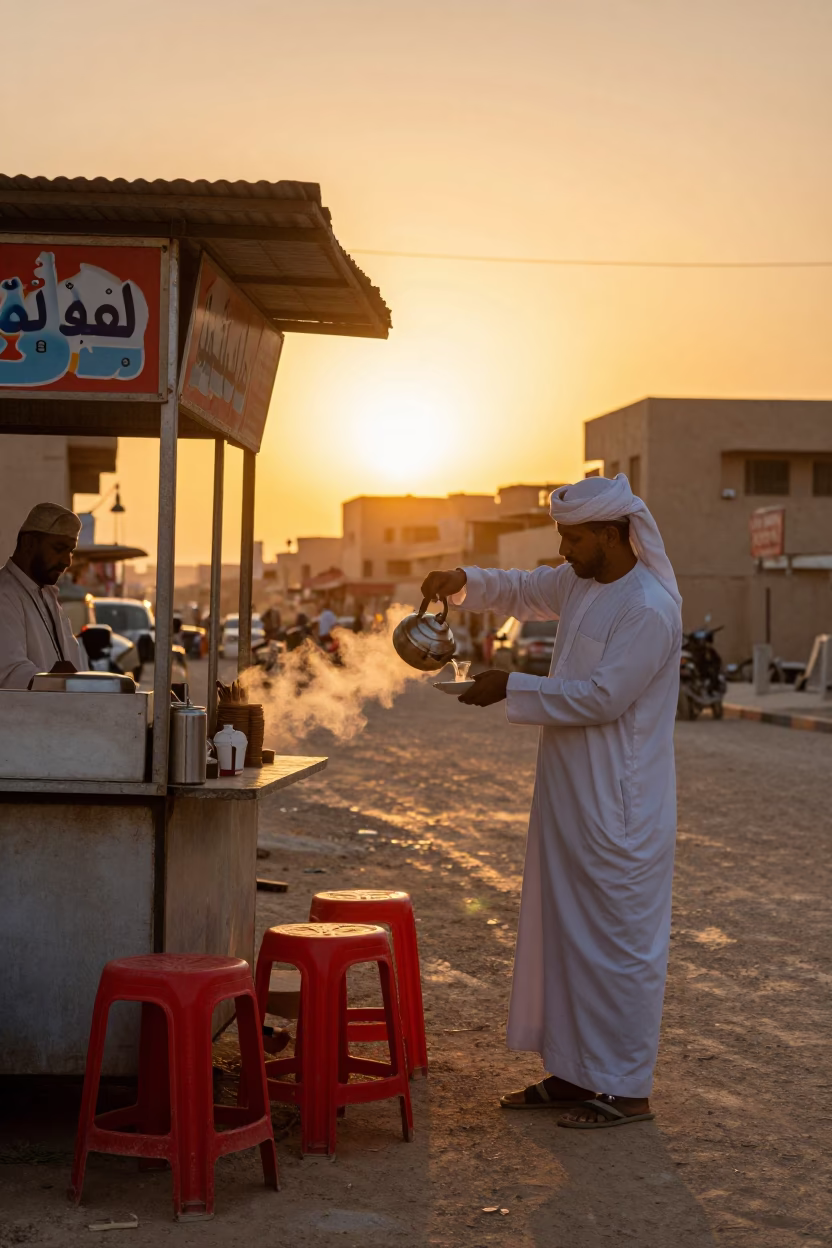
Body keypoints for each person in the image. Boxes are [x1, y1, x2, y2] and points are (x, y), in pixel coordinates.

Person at [421, 474, 682, 1129]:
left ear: (611, 532)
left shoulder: (647, 606)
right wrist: (461, 580)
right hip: (568, 794)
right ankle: (573, 1073)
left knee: (618, 945)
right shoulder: (581, 582)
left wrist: (511, 684)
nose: (562, 549)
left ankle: (625, 1089)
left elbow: (602, 696)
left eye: (572, 536)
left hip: (620, 804)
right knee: (564, 936)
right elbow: (522, 587)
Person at [0, 502, 84, 689]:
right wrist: (54, 679)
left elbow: (75, 667)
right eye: (58, 548)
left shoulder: (48, 596)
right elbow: (9, 672)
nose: (67, 561)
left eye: (70, 551)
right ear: (29, 543)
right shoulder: (4, 593)